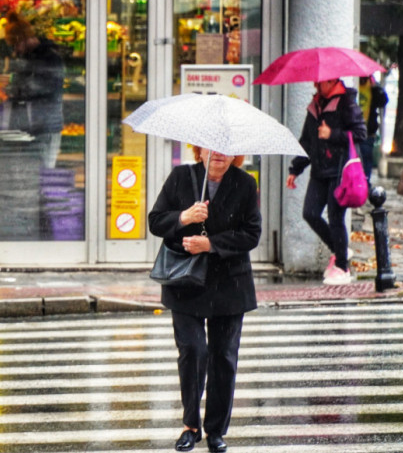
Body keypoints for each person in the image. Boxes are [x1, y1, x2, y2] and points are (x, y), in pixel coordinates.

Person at [149, 147, 261, 453]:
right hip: (186, 283)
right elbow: (155, 221)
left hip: (230, 285)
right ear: (199, 151)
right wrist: (184, 216)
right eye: (212, 149)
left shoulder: (245, 183)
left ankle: (215, 430)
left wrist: (210, 244)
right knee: (193, 351)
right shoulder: (181, 177)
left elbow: (252, 233)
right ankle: (190, 426)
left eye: (227, 150)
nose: (219, 155)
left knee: (224, 357)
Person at [286, 78, 367, 285]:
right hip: (319, 171)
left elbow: (360, 133)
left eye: (319, 82)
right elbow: (307, 141)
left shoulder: (347, 103)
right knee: (310, 213)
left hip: (340, 171)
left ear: (331, 81)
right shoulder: (315, 106)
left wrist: (332, 134)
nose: (315, 85)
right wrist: (295, 169)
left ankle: (342, 267)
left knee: (335, 217)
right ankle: (340, 250)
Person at [3, 11, 65, 168]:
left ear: (23, 40)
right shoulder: (30, 57)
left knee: (44, 171)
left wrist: (14, 88)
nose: (15, 51)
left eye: (15, 45)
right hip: (32, 125)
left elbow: (42, 88)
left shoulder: (50, 58)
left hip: (46, 125)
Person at [358, 75, 389, 185]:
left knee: (366, 159)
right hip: (354, 132)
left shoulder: (372, 90)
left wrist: (376, 87)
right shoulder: (354, 86)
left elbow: (383, 101)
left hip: (367, 133)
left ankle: (365, 184)